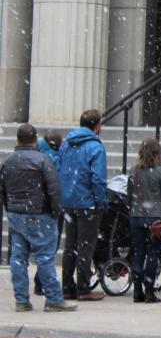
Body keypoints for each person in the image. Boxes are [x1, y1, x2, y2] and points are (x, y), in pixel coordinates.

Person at [0, 123, 75, 312]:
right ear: (35, 140)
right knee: (45, 258)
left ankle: (22, 300)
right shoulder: (43, 160)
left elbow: (3, 190)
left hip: (17, 214)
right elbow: (54, 189)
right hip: (39, 214)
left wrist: (10, 208)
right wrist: (56, 212)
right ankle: (53, 299)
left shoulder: (8, 161)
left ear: (18, 140)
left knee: (18, 258)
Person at [59, 109, 109, 301]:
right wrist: (101, 201)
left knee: (70, 245)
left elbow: (60, 169)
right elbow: (98, 178)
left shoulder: (66, 144)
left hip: (69, 200)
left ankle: (67, 286)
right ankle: (83, 287)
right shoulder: (95, 147)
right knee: (86, 246)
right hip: (87, 202)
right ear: (97, 126)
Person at [126, 138, 161, 304]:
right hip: (156, 218)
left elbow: (129, 196)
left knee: (138, 253)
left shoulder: (134, 170)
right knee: (153, 253)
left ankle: (137, 290)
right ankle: (149, 290)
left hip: (136, 216)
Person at [34, 131, 63, 296]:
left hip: (34, 206)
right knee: (49, 247)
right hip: (49, 208)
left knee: (39, 246)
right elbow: (55, 185)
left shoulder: (37, 154)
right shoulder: (53, 159)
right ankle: (43, 283)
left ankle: (38, 282)